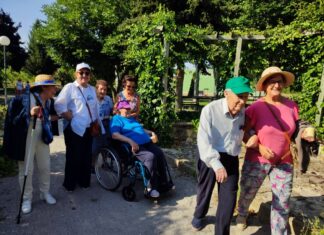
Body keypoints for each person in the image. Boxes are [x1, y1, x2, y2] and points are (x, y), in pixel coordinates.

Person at [236, 66, 315, 234]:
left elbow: (295, 131)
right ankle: (242, 215)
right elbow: (243, 132)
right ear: (264, 85)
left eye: (279, 81)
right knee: (247, 192)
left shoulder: (292, 106)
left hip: (283, 161)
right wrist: (260, 147)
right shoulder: (255, 107)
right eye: (272, 81)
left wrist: (306, 133)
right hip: (257, 160)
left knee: (282, 202)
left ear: (283, 84)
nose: (276, 85)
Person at [191, 76, 253, 234]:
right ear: (226, 93)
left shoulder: (243, 112)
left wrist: (252, 136)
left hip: (230, 156)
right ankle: (199, 214)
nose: (242, 101)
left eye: (245, 97)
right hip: (209, 154)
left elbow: (246, 131)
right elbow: (203, 141)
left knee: (229, 198)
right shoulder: (210, 110)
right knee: (206, 189)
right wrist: (216, 165)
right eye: (239, 96)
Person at [4, 74, 59, 214]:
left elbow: (50, 117)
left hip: (42, 135)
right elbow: (14, 120)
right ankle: (26, 198)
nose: (55, 89)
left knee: (45, 166)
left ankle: (44, 192)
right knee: (26, 168)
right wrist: (28, 113)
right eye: (53, 86)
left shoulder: (50, 101)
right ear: (44, 88)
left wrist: (58, 116)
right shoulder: (26, 99)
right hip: (27, 135)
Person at [110, 100, 174, 198]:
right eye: (125, 108)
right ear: (119, 109)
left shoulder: (131, 119)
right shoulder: (116, 119)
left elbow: (140, 129)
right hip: (135, 146)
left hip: (147, 142)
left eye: (128, 108)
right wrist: (130, 141)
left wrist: (152, 133)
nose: (128, 110)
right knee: (150, 157)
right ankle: (151, 188)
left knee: (159, 153)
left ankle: (163, 182)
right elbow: (115, 135)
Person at [54, 62, 100, 191]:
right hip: (74, 129)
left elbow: (95, 107)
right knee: (73, 157)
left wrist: (97, 122)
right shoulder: (70, 87)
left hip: (88, 128)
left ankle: (84, 181)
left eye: (87, 73)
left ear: (90, 75)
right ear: (76, 74)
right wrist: (65, 113)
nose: (84, 75)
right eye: (81, 73)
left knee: (86, 156)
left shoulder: (91, 89)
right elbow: (58, 103)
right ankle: (70, 184)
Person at [92, 80, 114, 171]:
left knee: (106, 144)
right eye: (101, 89)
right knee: (95, 146)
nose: (103, 92)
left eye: (105, 90)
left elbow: (112, 110)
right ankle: (92, 165)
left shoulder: (108, 99)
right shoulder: (92, 99)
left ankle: (105, 163)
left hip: (106, 123)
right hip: (96, 125)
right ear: (97, 89)